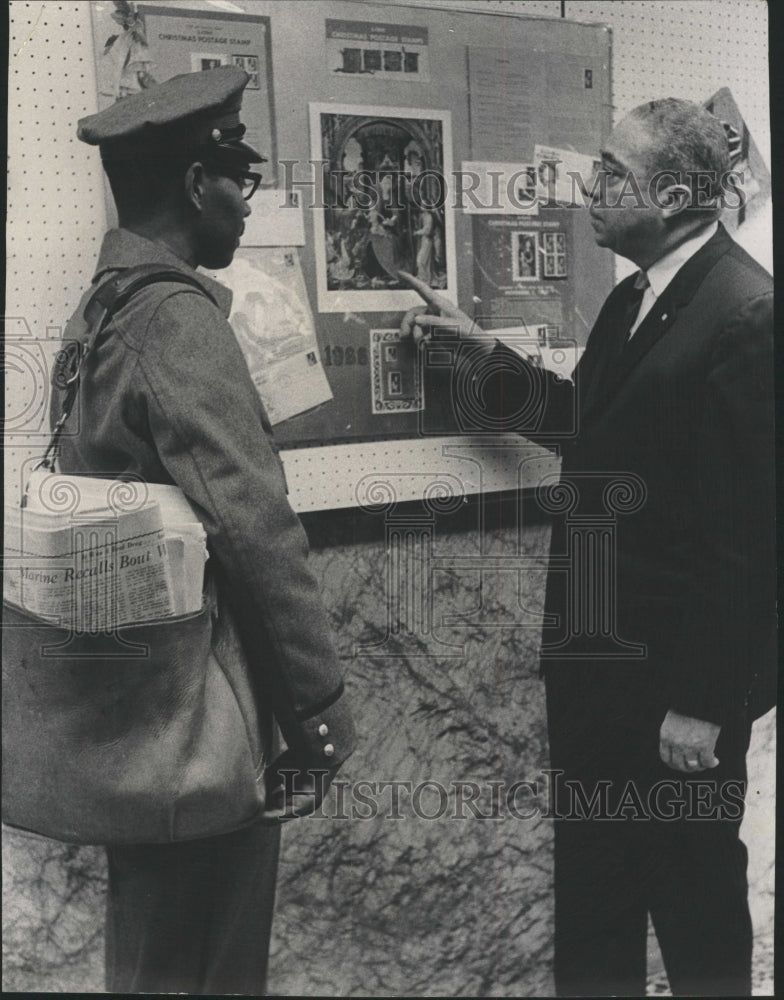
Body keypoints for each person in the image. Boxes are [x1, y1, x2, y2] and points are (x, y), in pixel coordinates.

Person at [400, 98, 774, 997]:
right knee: (596, 917)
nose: (588, 188)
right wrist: (476, 351)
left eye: (611, 172)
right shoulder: (634, 296)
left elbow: (753, 539)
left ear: (680, 196)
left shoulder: (747, 315)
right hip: (600, 684)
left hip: (672, 705)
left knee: (697, 921)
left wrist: (704, 703)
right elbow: (585, 426)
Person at [52, 66, 356, 995]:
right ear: (197, 183)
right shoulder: (178, 323)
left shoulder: (101, 312)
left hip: (132, 709)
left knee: (151, 960)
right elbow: (254, 532)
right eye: (242, 182)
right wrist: (319, 713)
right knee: (214, 968)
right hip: (204, 715)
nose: (245, 205)